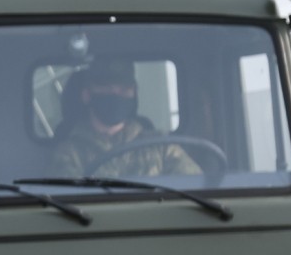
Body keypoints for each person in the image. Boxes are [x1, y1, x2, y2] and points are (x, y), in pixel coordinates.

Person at [50, 57, 201, 178]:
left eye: (124, 89)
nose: (116, 94)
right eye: (107, 87)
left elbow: (193, 187)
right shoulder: (70, 152)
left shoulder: (161, 145)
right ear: (87, 94)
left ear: (134, 94)